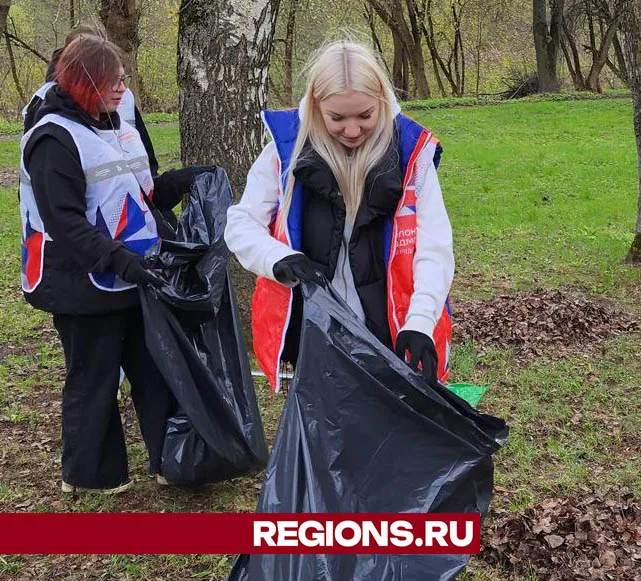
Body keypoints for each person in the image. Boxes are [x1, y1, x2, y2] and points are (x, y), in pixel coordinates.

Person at [19, 36, 196, 493]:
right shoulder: (52, 138)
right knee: (94, 372)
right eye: (111, 81)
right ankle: (90, 475)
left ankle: (169, 458)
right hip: (80, 278)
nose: (123, 88)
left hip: (133, 271)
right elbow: (66, 222)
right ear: (84, 82)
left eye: (123, 78)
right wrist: (120, 261)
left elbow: (137, 190)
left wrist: (179, 183)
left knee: (152, 366)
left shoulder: (116, 121)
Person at [225, 39, 454, 392]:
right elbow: (240, 226)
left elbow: (434, 248)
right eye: (337, 118)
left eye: (365, 116)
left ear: (381, 101)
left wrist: (420, 322)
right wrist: (279, 259)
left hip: (392, 332)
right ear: (317, 107)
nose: (351, 131)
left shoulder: (413, 158)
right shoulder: (283, 154)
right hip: (316, 334)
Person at [22, 23, 159, 177]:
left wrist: (150, 182)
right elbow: (37, 164)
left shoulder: (124, 93)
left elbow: (143, 147)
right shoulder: (46, 99)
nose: (118, 87)